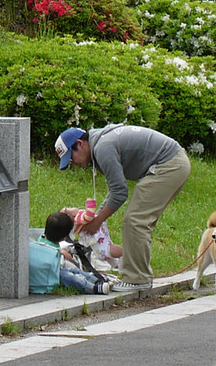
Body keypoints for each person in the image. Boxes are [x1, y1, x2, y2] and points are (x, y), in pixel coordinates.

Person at [57, 122, 191, 289]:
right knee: (138, 221)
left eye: (71, 157)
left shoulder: (102, 148)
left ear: (80, 144)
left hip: (169, 164)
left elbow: (120, 192)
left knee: (134, 220)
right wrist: (98, 217)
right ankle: (139, 276)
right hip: (174, 162)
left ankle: (137, 279)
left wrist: (97, 222)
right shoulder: (101, 143)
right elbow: (115, 190)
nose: (73, 163)